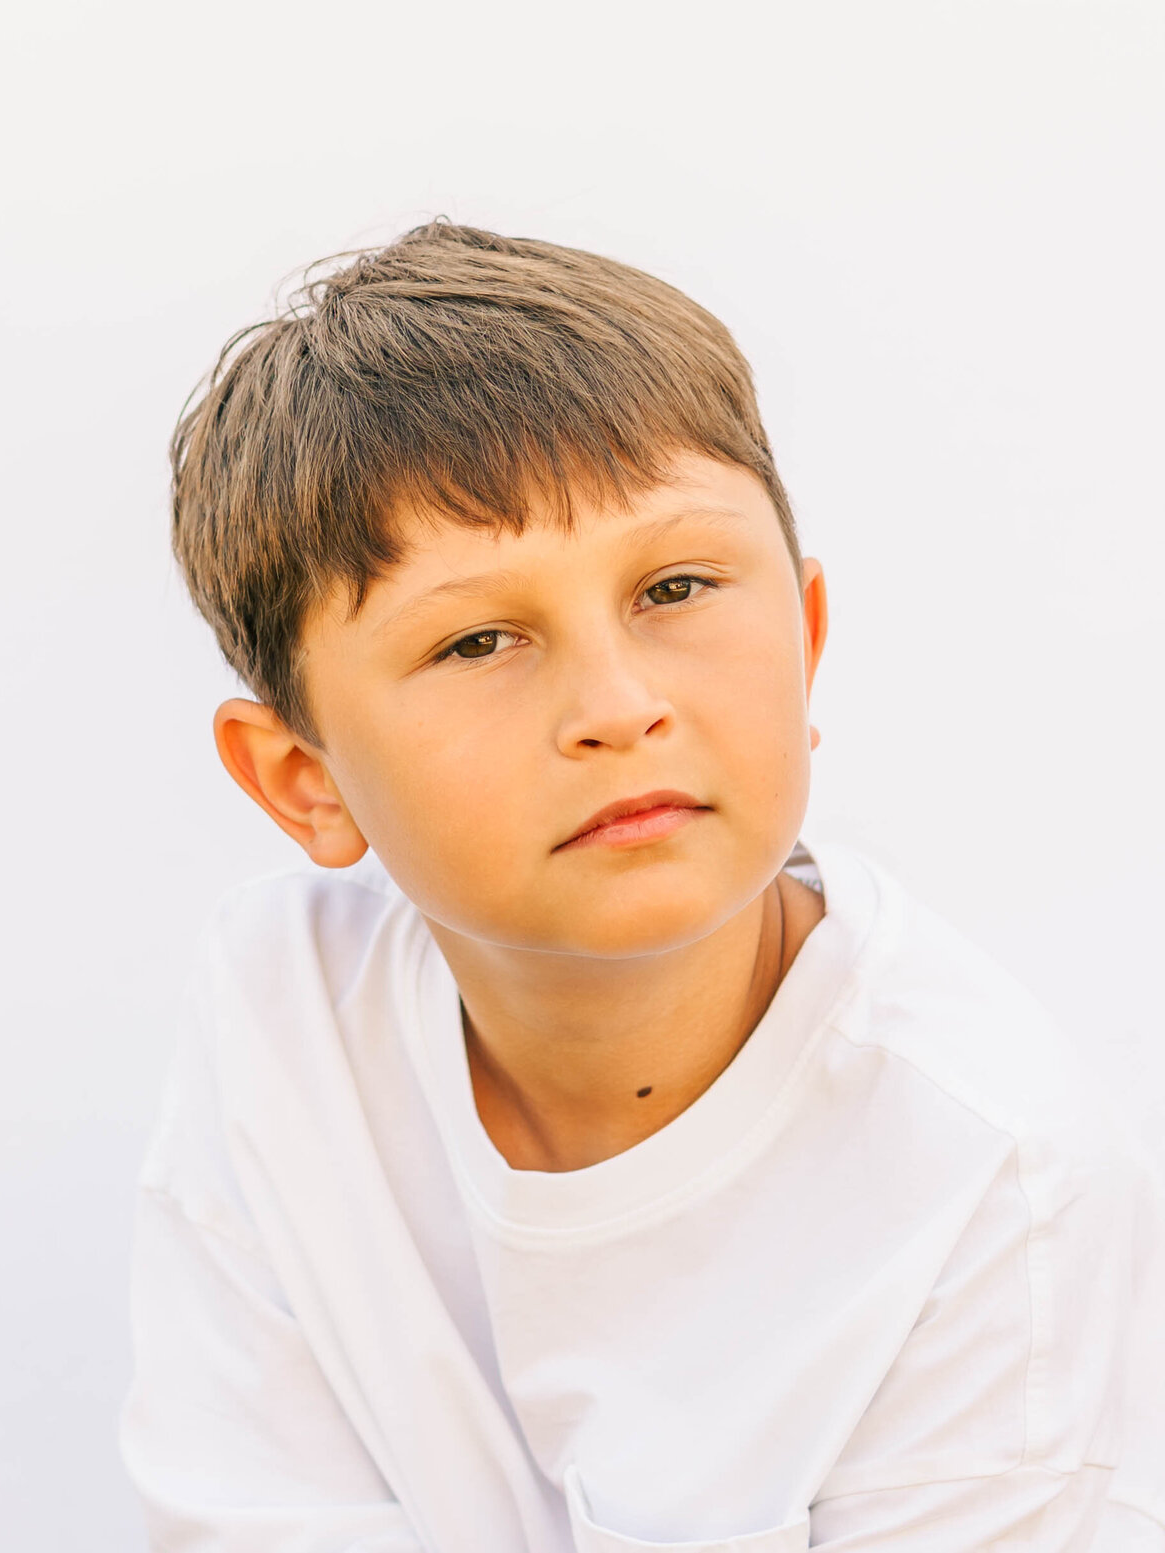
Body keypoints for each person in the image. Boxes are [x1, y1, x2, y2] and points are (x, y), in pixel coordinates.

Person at [119, 220, 1164, 1551]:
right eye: (479, 638)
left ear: (806, 633)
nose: (618, 707)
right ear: (302, 781)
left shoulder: (995, 1183)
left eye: (675, 585)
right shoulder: (288, 1014)